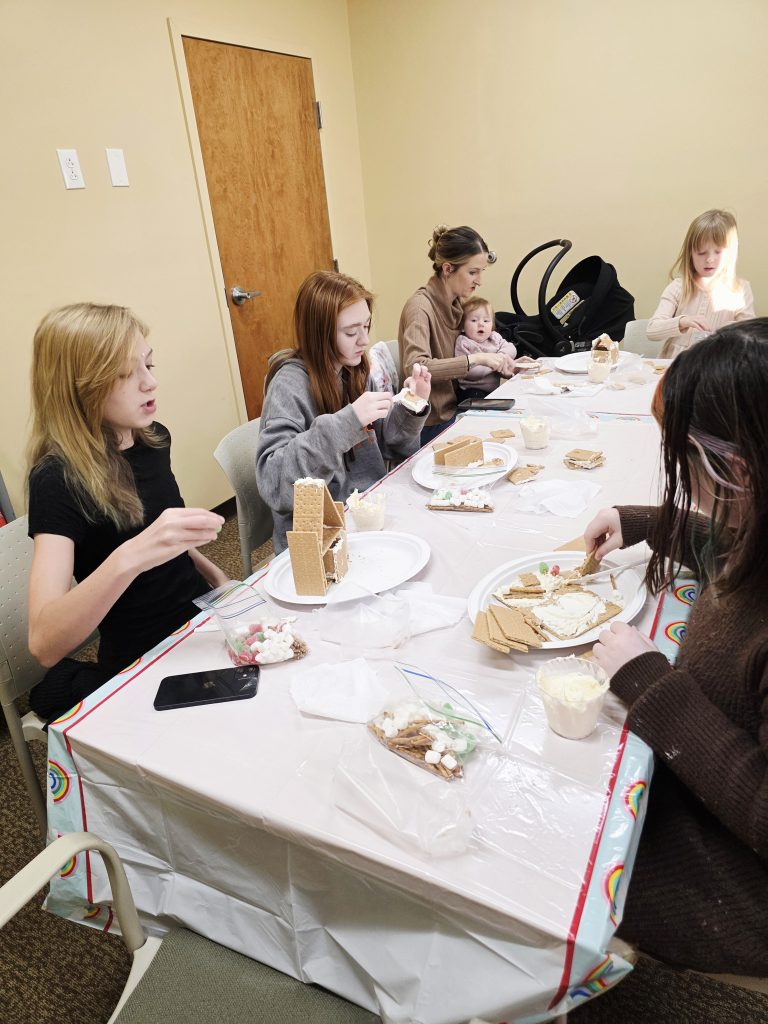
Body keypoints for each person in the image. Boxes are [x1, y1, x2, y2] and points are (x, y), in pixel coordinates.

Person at [584, 320, 768, 977]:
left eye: (687, 462)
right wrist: (644, 523)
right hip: (701, 796)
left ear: (737, 469)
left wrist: (652, 687)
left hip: (740, 882)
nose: (685, 481)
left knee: (556, 834)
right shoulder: (758, 521)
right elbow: (730, 540)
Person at [26, 303, 227, 720]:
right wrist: (133, 554)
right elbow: (44, 643)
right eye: (126, 373)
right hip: (145, 660)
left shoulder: (153, 439)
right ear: (80, 386)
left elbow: (171, 540)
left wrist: (220, 582)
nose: (150, 382)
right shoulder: (57, 480)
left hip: (198, 621)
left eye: (149, 364)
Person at [256, 270, 431, 553]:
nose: (363, 340)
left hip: (365, 513)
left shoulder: (353, 369)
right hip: (321, 543)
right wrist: (346, 423)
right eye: (351, 332)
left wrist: (412, 406)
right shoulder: (289, 385)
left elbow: (393, 447)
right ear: (320, 334)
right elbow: (275, 483)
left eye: (366, 326)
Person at [398, 225, 515, 445]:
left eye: (481, 272)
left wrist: (505, 361)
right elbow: (415, 366)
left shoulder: (457, 306)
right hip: (431, 421)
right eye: (473, 272)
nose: (479, 281)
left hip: (457, 406)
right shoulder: (420, 308)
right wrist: (476, 360)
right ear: (448, 269)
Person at [647, 209, 754, 359]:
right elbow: (652, 331)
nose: (710, 260)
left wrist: (729, 329)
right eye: (701, 252)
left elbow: (750, 335)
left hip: (715, 366)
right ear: (690, 253)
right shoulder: (678, 287)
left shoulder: (740, 289)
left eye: (718, 252)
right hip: (674, 367)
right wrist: (682, 322)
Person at [454, 296, 518, 400]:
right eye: (474, 320)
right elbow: (470, 373)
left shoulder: (494, 337)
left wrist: (500, 356)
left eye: (486, 320)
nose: (481, 324)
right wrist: (495, 364)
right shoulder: (463, 342)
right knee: (474, 401)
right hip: (471, 390)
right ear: (462, 326)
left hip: (493, 390)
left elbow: (511, 349)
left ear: (492, 325)